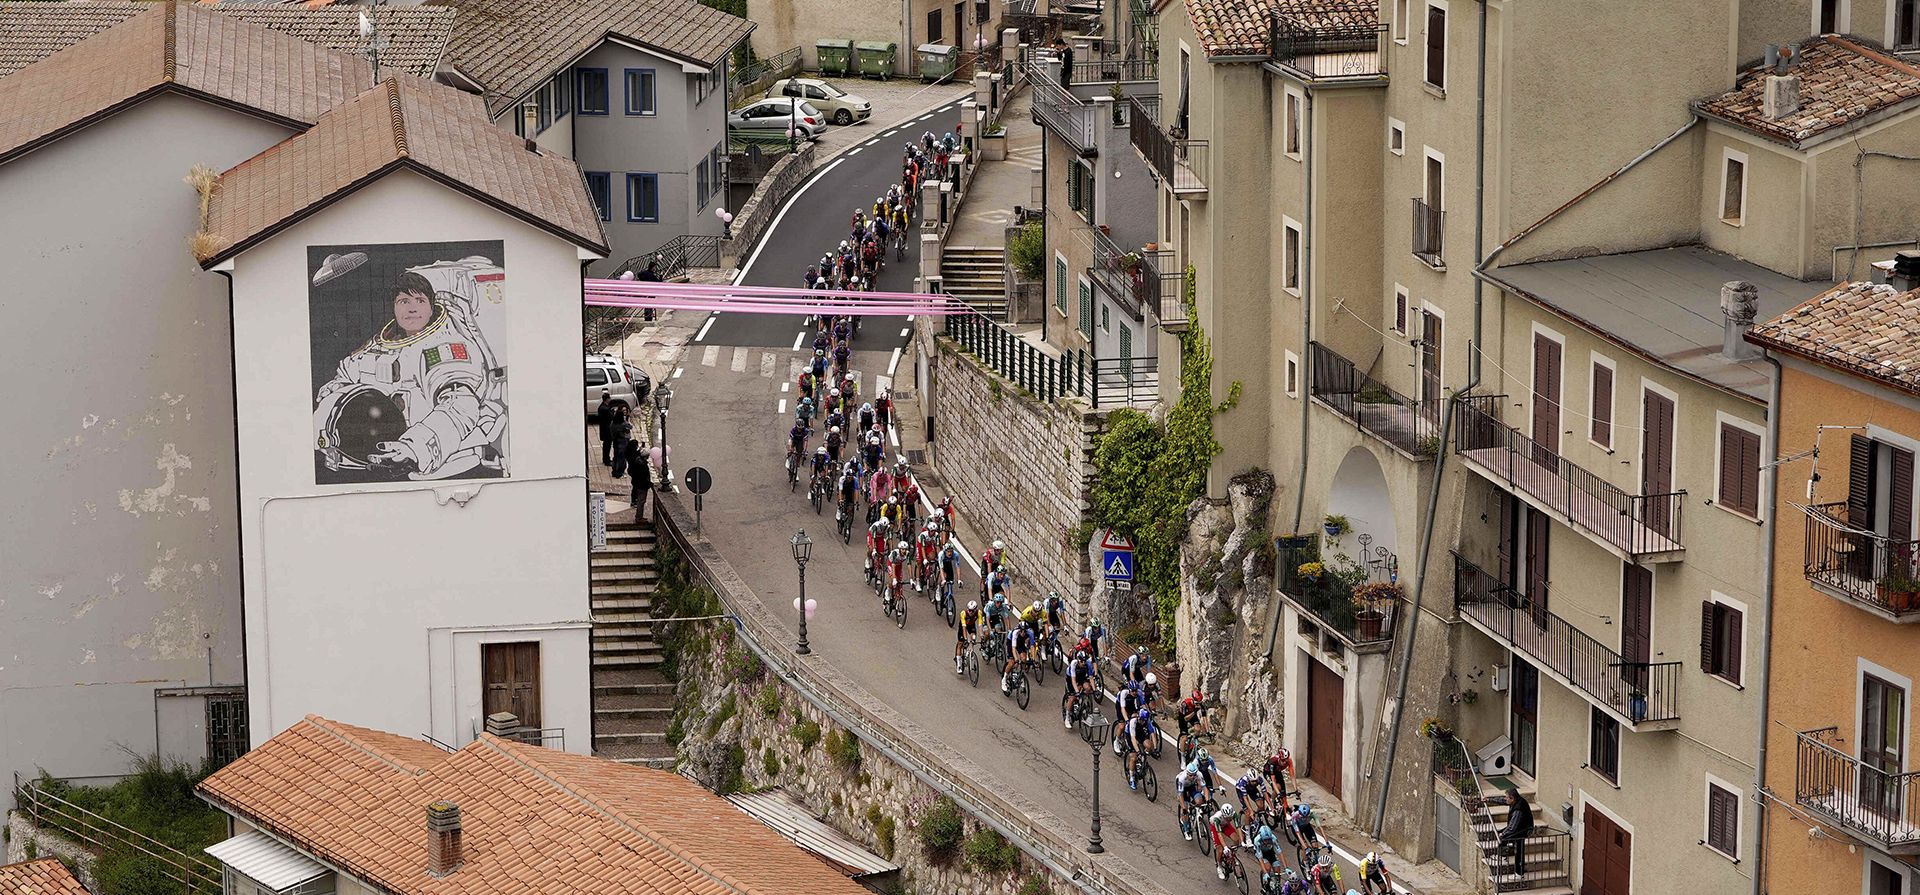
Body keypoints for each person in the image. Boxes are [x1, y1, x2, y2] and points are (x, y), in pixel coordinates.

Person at [1498, 791, 1533, 878]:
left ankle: (1519, 873)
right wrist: (1489, 800)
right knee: (1502, 836)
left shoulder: (1518, 810)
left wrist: (1504, 834)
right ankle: (1503, 856)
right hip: (1520, 827)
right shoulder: (1517, 800)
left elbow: (1512, 828)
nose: (1505, 799)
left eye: (1506, 797)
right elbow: (1502, 801)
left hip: (1521, 830)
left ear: (1512, 798)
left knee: (1519, 851)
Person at [1061, 648, 1096, 728]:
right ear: (1078, 660)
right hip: (1071, 678)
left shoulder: (1088, 664)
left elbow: (1091, 678)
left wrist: (1094, 690)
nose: (1083, 663)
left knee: (1088, 688)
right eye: (1081, 661)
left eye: (1084, 661)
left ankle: (1083, 701)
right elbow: (1073, 680)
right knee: (1072, 697)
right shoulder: (1074, 664)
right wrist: (1076, 692)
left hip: (1081, 677)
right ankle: (1067, 717)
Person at [1123, 709, 1157, 789]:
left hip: (1139, 732)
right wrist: (1138, 751)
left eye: (1143, 721)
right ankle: (1131, 777)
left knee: (1149, 745)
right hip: (1130, 735)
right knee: (1134, 758)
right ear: (1138, 717)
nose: (1142, 722)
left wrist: (1155, 748)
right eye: (1141, 720)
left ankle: (1142, 759)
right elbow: (1133, 739)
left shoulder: (1147, 721)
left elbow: (1152, 734)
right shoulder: (1133, 722)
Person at [956, 600, 985, 673]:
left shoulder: (979, 612)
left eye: (972, 611)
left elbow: (980, 625)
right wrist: (965, 639)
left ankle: (971, 652)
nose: (970, 612)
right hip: (963, 627)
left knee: (973, 638)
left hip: (971, 626)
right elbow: (964, 628)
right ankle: (959, 664)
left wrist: (982, 636)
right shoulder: (963, 613)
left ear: (975, 610)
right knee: (960, 643)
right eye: (969, 610)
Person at [628, 439, 652, 521]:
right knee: (641, 501)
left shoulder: (637, 461)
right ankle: (639, 517)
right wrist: (648, 484)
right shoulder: (642, 465)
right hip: (642, 486)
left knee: (640, 500)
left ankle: (639, 517)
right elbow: (643, 477)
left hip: (637, 483)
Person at [596, 391, 615, 464]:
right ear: (607, 399)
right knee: (607, 445)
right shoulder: (605, 409)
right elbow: (610, 417)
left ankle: (606, 458)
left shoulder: (603, 407)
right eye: (609, 398)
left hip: (605, 428)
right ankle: (606, 460)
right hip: (607, 430)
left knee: (607, 445)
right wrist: (612, 412)